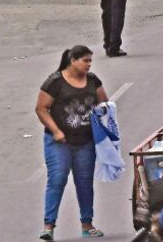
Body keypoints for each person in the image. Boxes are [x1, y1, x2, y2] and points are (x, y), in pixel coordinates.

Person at [35, 45, 108, 240]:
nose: (89, 64)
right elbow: (41, 108)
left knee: (84, 182)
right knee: (57, 179)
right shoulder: (55, 82)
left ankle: (87, 224)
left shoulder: (93, 80)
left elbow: (104, 103)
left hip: (85, 142)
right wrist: (56, 131)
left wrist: (102, 117)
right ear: (73, 60)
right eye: (85, 60)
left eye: (90, 61)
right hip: (59, 142)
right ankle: (48, 226)